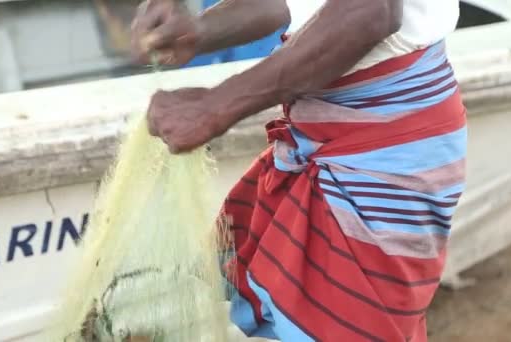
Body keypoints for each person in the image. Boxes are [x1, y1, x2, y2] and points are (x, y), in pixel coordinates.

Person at [131, 0, 465, 341]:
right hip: (326, 135)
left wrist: (216, 106)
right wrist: (201, 30)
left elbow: (369, 12)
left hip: (383, 149)